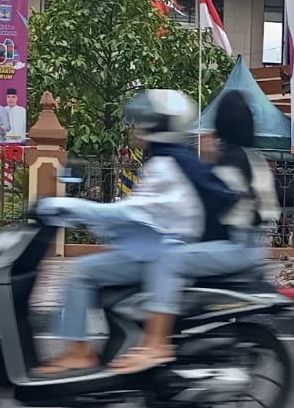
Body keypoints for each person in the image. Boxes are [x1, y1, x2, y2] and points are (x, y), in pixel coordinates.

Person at [35, 89, 232, 376]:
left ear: (160, 126)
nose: (138, 127)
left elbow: (128, 213)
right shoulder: (171, 160)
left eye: (145, 121)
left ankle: (80, 352)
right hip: (153, 250)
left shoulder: (167, 166)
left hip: (157, 255)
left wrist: (63, 205)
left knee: (80, 272)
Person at [119, 91, 282, 371]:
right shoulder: (252, 157)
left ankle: (157, 343)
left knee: (169, 260)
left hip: (239, 245)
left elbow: (215, 208)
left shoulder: (230, 160)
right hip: (254, 245)